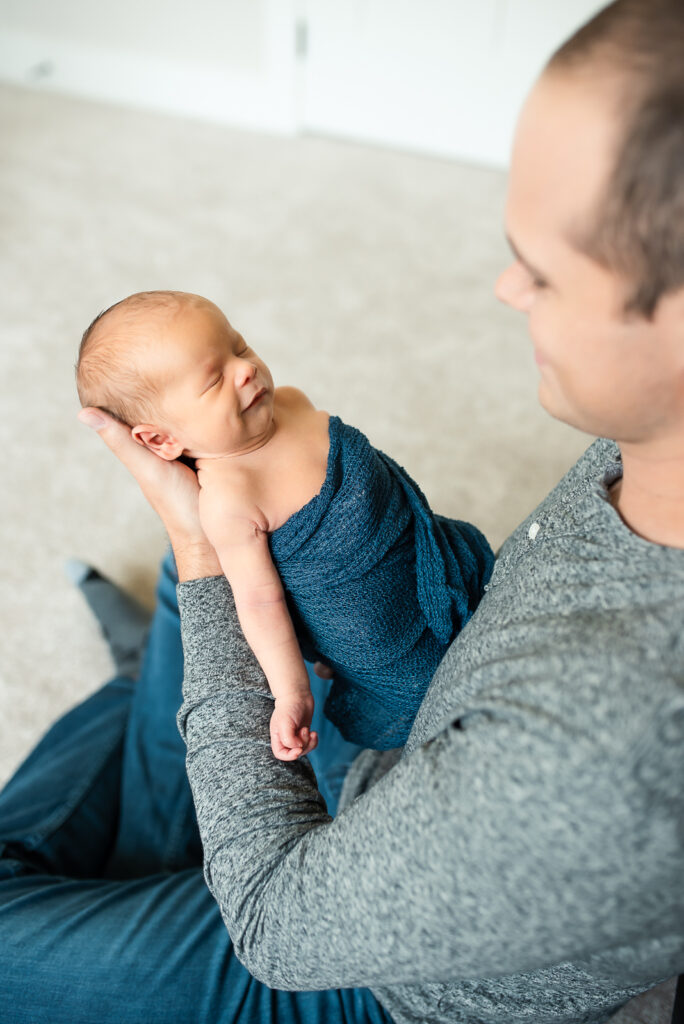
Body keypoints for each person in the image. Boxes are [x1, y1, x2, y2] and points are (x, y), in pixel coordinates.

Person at [1, 1, 683, 1022]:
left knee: (207, 603)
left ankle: (151, 685)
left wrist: (198, 548)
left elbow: (276, 926)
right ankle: (162, 688)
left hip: (374, 965)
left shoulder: (602, 752)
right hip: (430, 711)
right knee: (212, 608)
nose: (505, 288)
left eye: (542, 270)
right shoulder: (653, 441)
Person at [75, 292, 493, 758]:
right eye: (214, 379)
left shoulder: (292, 403)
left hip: (426, 554)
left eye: (240, 346)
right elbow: (259, 601)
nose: (246, 369)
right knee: (425, 683)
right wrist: (292, 692)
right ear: (160, 439)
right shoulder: (229, 500)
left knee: (481, 581)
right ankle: (142, 676)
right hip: (383, 640)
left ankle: (139, 671)